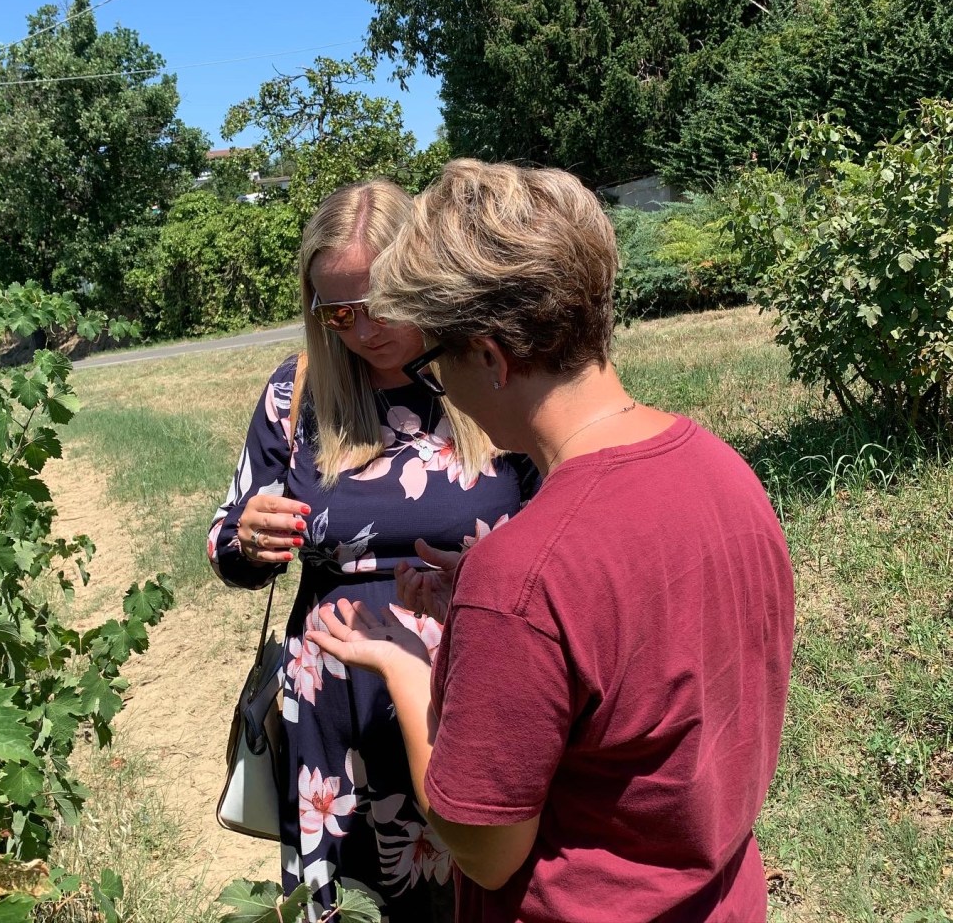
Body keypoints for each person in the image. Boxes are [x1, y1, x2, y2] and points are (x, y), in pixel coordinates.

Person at [307, 160, 795, 923]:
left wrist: (407, 665)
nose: (439, 388)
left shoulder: (522, 580)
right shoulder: (723, 470)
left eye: (434, 361)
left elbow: (483, 849)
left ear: (490, 359)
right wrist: (493, 618)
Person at [207, 179, 538, 922]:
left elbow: (559, 526)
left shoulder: (492, 376)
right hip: (334, 704)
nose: (365, 329)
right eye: (340, 313)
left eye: (383, 300)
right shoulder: (298, 393)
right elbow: (226, 541)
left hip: (471, 679)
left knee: (480, 886)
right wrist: (248, 538)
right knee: (351, 901)